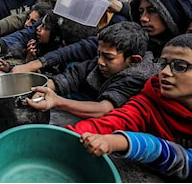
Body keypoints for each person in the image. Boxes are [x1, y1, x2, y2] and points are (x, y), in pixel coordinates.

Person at [67, 33, 192, 180]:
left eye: (180, 66)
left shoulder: (133, 79)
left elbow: (186, 161)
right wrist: (67, 138)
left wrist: (123, 142)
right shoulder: (150, 100)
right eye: (163, 64)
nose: (164, 72)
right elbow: (115, 121)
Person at [12, 0, 192, 73]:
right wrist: (37, 63)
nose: (144, 18)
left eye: (153, 11)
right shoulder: (132, 35)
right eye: (142, 11)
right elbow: (84, 49)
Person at [26, 21, 157, 118]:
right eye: (99, 54)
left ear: (133, 61)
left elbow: (103, 109)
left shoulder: (137, 78)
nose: (100, 61)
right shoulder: (100, 63)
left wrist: (57, 102)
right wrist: (44, 88)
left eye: (109, 57)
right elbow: (74, 75)